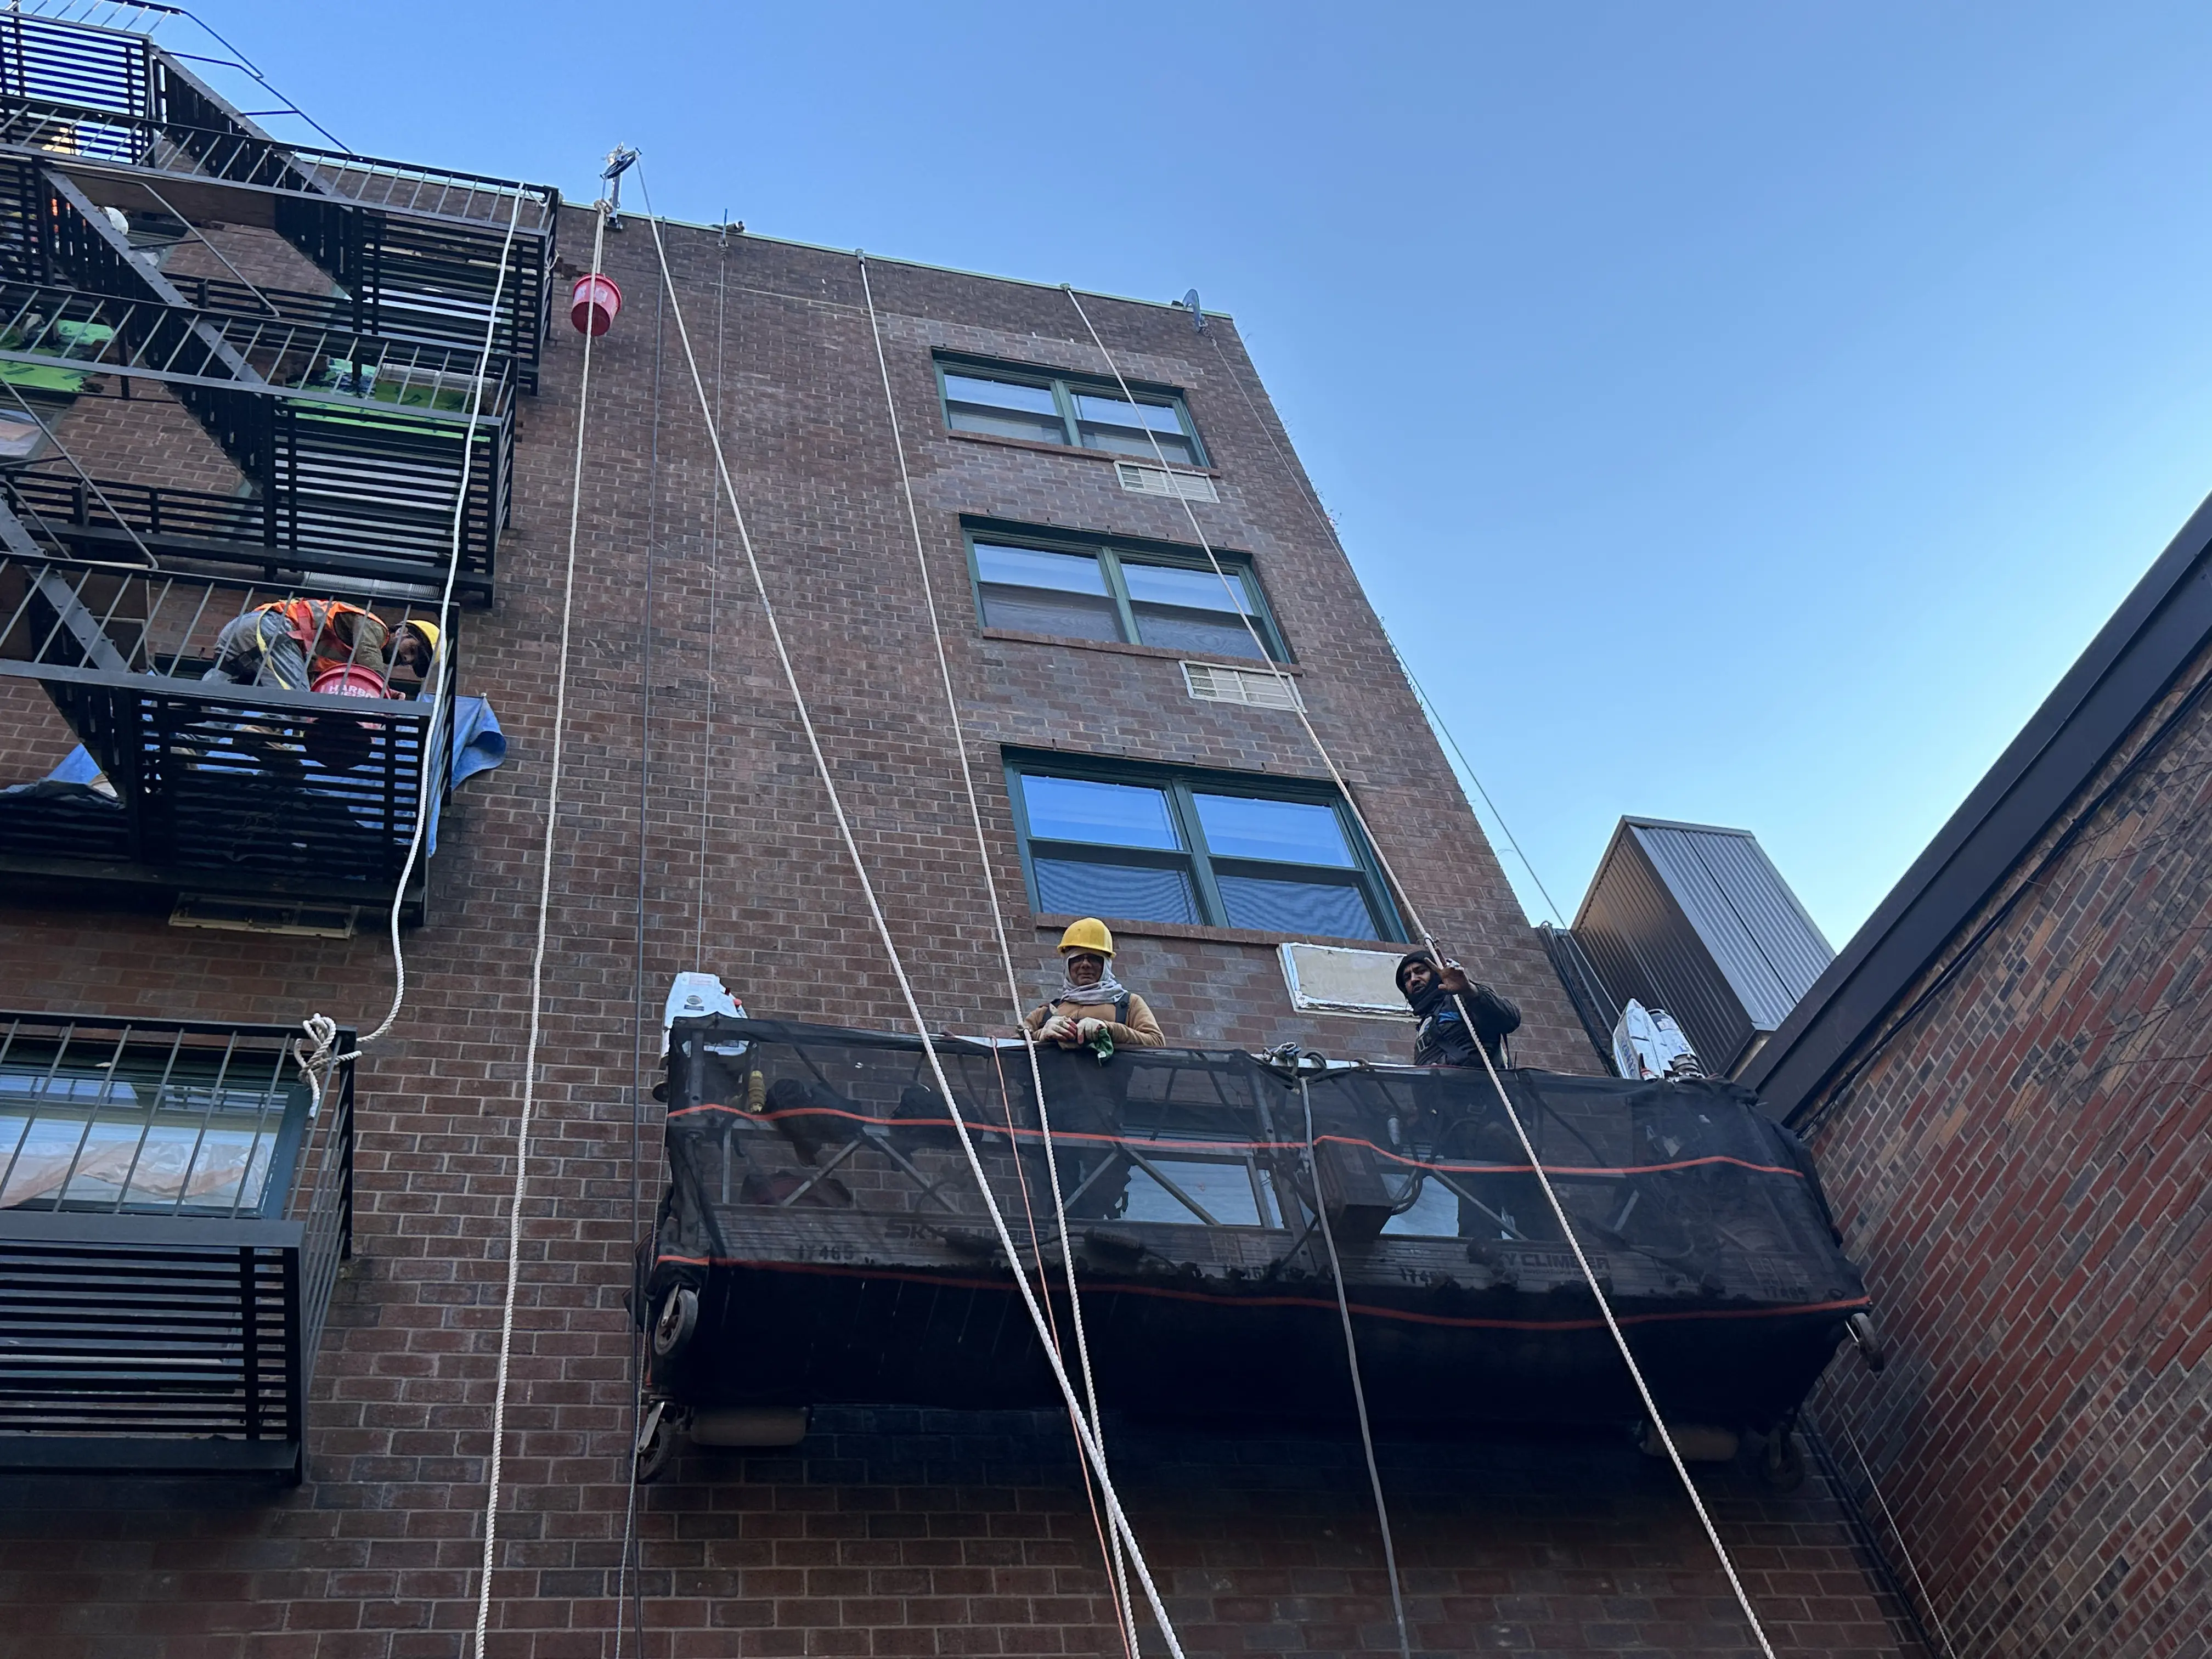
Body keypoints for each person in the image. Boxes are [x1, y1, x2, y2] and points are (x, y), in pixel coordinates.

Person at [203, 600, 437, 691]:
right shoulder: (374, 627)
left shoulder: (345, 662)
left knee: (221, 702)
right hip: (274, 630)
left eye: (412, 662)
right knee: (298, 701)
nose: (406, 659)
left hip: (245, 638)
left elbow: (317, 683)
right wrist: (381, 692)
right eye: (413, 650)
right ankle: (263, 735)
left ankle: (189, 744)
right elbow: (368, 652)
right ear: (403, 630)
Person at [1026, 918, 1165, 1053]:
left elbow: (1156, 1042)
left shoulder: (1128, 1004)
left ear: (1106, 966)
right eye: (1078, 958)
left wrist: (1108, 1028)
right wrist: (1040, 1035)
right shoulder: (1045, 1012)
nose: (1085, 964)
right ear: (1067, 965)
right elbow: (1009, 1050)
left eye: (1093, 958)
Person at [1396, 949, 1521, 1069]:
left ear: (1435, 974)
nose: (1413, 979)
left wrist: (1470, 991)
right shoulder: (1424, 1025)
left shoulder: (1460, 1001)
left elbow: (1510, 1019)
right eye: (1407, 978)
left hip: (1482, 1086)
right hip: (1446, 1089)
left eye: (1421, 972)